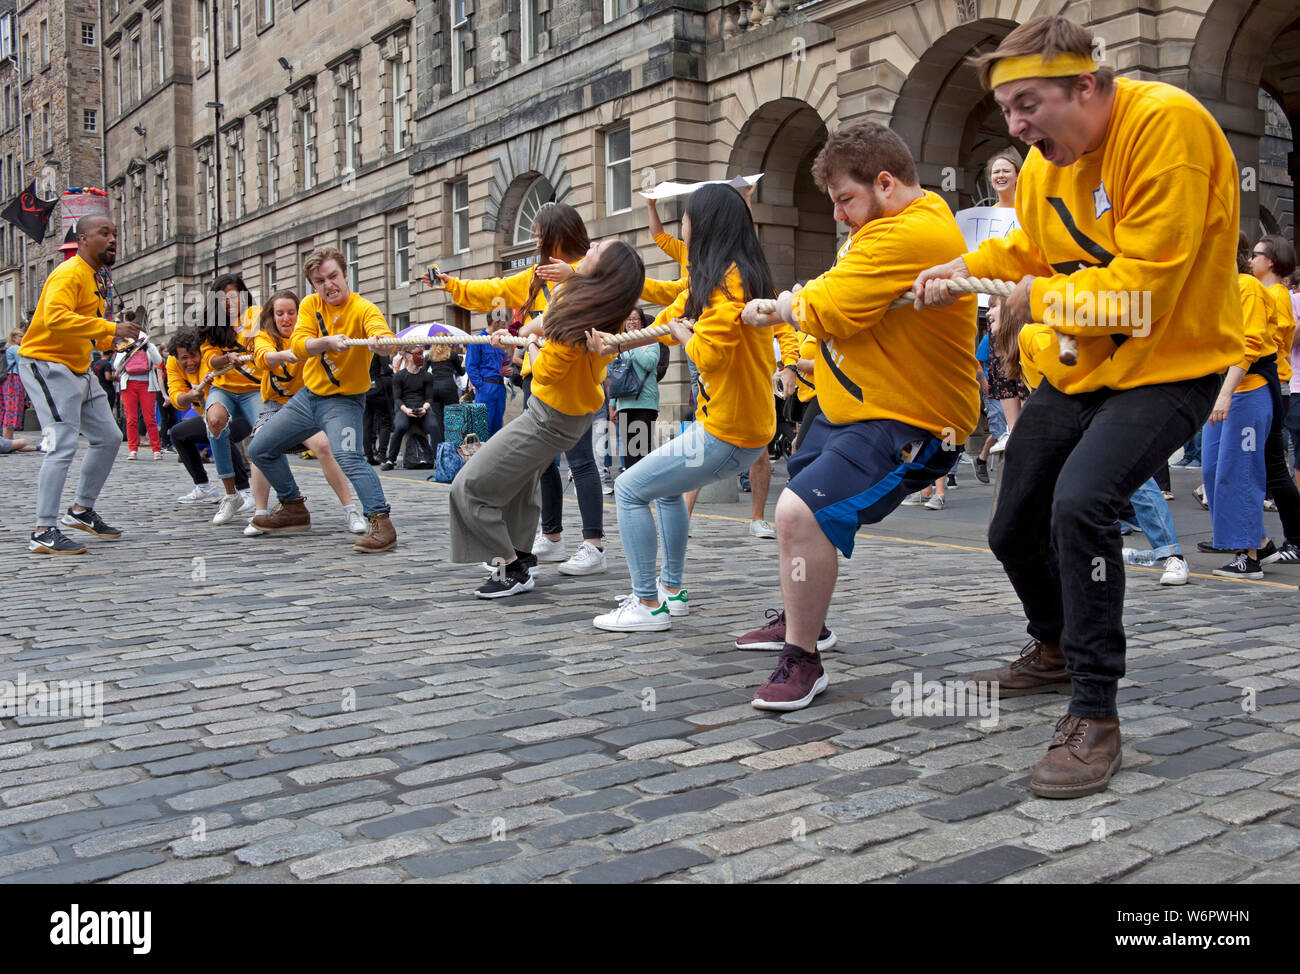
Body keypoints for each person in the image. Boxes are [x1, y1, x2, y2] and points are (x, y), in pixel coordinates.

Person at [915, 15, 1241, 798]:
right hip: (1081, 366)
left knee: (1083, 505)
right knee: (1012, 522)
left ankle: (1095, 711)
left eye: (1030, 104)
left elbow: (1143, 292)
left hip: (1173, 361)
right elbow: (1030, 248)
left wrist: (1035, 299)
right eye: (1008, 112)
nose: (1018, 127)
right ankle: (1053, 646)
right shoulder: (1042, 163)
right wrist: (961, 267)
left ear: (1088, 87)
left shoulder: (1169, 126)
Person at [735, 121, 978, 706]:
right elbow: (838, 295)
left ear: (887, 183)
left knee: (796, 515)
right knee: (801, 513)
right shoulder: (891, 225)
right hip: (851, 409)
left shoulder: (910, 234)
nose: (840, 216)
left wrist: (795, 302)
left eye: (846, 199)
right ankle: (806, 620)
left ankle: (804, 659)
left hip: (910, 422)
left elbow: (832, 302)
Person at [592, 183, 788, 632]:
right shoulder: (720, 276)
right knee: (661, 489)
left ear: (703, 225)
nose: (681, 226)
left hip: (729, 429)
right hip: (738, 425)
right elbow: (664, 323)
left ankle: (647, 604)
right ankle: (672, 592)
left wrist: (684, 336)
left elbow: (709, 354)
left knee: (628, 489)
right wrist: (612, 340)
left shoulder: (728, 282)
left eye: (685, 218)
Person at [448, 238, 644, 598]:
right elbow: (542, 325)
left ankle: (513, 568)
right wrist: (526, 332)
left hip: (548, 417)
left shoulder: (575, 316)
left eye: (597, 249)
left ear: (601, 273)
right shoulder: (594, 306)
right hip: (569, 416)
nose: (593, 244)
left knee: (468, 486)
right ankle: (522, 552)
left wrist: (532, 342)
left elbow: (545, 372)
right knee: (522, 482)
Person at [247, 246, 398, 552]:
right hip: (307, 399)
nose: (328, 285)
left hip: (344, 402)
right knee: (260, 448)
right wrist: (326, 342)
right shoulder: (309, 306)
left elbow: (382, 338)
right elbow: (299, 344)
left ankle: (381, 523)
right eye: (320, 280)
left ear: (346, 275)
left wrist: (381, 345)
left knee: (348, 456)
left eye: (333, 276)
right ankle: (293, 507)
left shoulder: (364, 308)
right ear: (313, 285)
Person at [15, 215, 140, 554]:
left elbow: (85, 326)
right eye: (104, 233)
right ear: (83, 239)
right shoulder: (69, 273)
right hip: (47, 365)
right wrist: (111, 328)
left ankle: (81, 511)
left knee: (109, 437)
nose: (113, 239)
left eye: (115, 233)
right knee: (62, 444)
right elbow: (55, 319)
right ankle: (43, 530)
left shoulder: (96, 276)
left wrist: (111, 340)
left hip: (78, 368)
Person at [244, 289, 369, 537]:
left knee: (324, 446)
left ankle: (350, 509)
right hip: (277, 406)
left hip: (311, 404)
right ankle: (262, 512)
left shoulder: (310, 335)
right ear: (272, 316)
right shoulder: (264, 337)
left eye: (292, 312)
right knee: (260, 442)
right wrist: (284, 355)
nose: (286, 318)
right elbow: (262, 357)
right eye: (280, 313)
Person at [1200, 239, 1277, 578]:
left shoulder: (1248, 289)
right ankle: (1253, 540)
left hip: (1248, 390)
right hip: (1227, 390)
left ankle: (1250, 555)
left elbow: (1249, 346)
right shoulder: (1221, 291)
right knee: (1213, 470)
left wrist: (1225, 394)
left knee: (1240, 471)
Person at [1248, 234, 1300, 563]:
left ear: (1271, 262)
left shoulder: (1276, 294)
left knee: (1273, 468)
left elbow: (1277, 338)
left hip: (1272, 382)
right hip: (1272, 383)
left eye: (1256, 255)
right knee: (1269, 467)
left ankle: (1294, 539)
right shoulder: (1266, 292)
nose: (1251, 259)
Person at [165, 327, 253, 505]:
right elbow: (176, 396)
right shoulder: (172, 364)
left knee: (221, 431)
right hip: (209, 415)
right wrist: (188, 396)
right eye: (184, 358)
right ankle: (204, 488)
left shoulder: (210, 360)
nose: (190, 362)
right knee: (178, 434)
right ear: (176, 357)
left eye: (193, 355)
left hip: (240, 411)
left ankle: (245, 492)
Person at [199, 274, 261, 525]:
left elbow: (264, 341)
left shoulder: (255, 316)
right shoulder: (212, 326)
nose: (229, 302)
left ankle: (267, 495)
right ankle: (230, 494)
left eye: (234, 296)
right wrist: (226, 359)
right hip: (224, 387)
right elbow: (210, 360)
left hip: (254, 387)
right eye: (223, 298)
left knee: (265, 433)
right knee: (214, 420)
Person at [609, 308, 661, 470]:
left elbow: (649, 363)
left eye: (635, 319)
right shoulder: (619, 343)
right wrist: (612, 405)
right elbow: (615, 376)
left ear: (642, 323)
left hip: (645, 404)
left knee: (643, 450)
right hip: (624, 404)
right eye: (628, 319)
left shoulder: (651, 341)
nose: (631, 322)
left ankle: (644, 488)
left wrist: (634, 343)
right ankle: (633, 490)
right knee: (630, 451)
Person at [382, 345, 438, 469]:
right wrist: (406, 410)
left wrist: (424, 408)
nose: (421, 357)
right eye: (417, 354)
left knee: (433, 426)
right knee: (400, 426)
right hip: (405, 408)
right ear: (408, 356)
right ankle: (391, 460)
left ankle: (438, 458)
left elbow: (429, 397)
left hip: (422, 407)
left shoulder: (427, 376)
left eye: (421, 354)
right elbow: (397, 398)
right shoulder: (399, 376)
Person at [112, 334, 164, 460]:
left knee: (150, 418)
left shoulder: (148, 347)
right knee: (131, 419)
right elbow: (117, 367)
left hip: (147, 384)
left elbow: (158, 361)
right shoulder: (124, 346)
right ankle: (133, 449)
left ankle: (156, 449)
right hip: (129, 384)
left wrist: (149, 347)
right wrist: (126, 352)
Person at [363, 352, 394, 465]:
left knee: (367, 422)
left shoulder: (361, 347)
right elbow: (386, 369)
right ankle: (382, 453)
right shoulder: (380, 349)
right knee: (385, 421)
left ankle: (368, 454)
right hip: (376, 387)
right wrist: (392, 369)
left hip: (363, 387)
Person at [2, 328, 29, 439]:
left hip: (7, 380)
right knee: (13, 407)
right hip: (14, 379)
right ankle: (8, 439)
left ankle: (7, 438)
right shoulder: (16, 349)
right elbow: (22, 365)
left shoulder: (7, 348)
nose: (22, 339)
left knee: (7, 407)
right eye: (20, 336)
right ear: (13, 337)